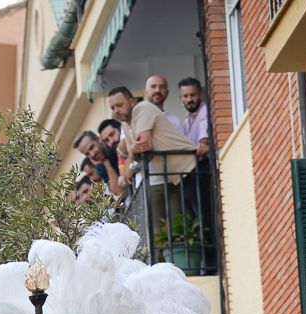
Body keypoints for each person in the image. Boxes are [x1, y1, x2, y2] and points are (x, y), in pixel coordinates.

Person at [106, 85, 197, 240]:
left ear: (132, 101)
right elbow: (129, 167)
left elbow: (144, 146)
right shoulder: (126, 125)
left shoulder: (142, 108)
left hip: (192, 168)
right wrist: (133, 151)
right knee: (193, 218)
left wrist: (133, 151)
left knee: (202, 216)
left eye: (119, 105)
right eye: (113, 107)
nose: (116, 110)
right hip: (179, 175)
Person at [73, 131, 124, 197]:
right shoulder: (100, 166)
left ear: (99, 139)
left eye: (92, 147)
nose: (92, 154)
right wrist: (106, 162)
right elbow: (118, 191)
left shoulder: (114, 145)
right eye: (87, 154)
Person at [177, 77, 211, 159]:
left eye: (193, 95)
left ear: (200, 95)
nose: (189, 99)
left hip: (206, 164)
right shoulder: (186, 119)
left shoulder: (205, 110)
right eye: (185, 96)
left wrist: (203, 144)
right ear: (181, 99)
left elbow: (205, 127)